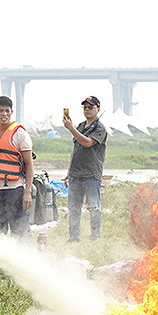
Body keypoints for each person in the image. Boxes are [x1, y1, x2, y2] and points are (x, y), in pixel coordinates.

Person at [0, 96, 34, 237]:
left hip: (15, 190)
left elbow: (29, 165)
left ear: (11, 112)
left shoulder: (20, 134)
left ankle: (22, 257)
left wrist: (27, 192)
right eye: (0, 111)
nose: (4, 114)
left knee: (20, 230)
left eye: (7, 111)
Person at [63, 95, 108, 242]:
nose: (88, 110)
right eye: (85, 107)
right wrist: (68, 172)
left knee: (93, 207)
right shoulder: (81, 126)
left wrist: (70, 128)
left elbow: (87, 143)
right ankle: (73, 238)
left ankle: (95, 237)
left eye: (91, 107)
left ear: (98, 109)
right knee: (73, 208)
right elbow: (74, 150)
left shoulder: (100, 128)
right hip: (75, 174)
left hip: (91, 174)